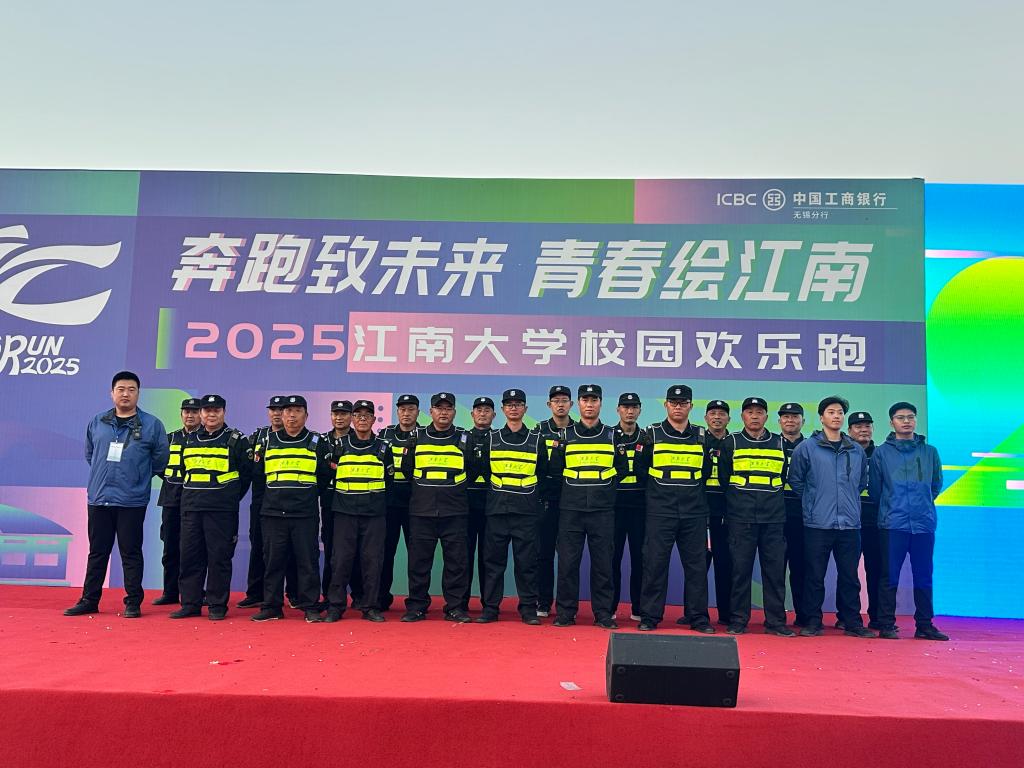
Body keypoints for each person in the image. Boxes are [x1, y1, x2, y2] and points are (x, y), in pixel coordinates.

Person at [65, 371, 169, 618]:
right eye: (121, 389)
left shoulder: (152, 425)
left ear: (138, 394)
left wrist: (137, 477)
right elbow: (91, 454)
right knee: (97, 552)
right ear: (112, 393)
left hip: (132, 500)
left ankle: (133, 602)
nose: (126, 394)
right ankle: (89, 600)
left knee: (130, 552)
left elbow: (160, 460)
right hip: (99, 497)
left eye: (131, 390)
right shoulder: (97, 422)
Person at [787, 396, 874, 638]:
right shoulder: (807, 448)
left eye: (839, 412)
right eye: (831, 412)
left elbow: (861, 482)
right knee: (814, 575)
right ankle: (812, 621)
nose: (836, 416)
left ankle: (852, 622)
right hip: (818, 522)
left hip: (849, 523)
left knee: (849, 576)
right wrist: (813, 500)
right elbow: (796, 480)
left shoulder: (855, 450)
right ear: (821, 417)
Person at [548, 384, 630, 629]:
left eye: (594, 400)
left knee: (603, 564)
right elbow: (555, 471)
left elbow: (622, 470)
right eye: (585, 400)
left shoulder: (612, 435)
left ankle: (603, 614)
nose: (590, 404)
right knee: (567, 564)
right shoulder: (564, 435)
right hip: (571, 510)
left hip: (602, 511)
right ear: (579, 404)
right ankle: (566, 613)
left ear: (601, 403)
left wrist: (603, 491)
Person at [635, 385, 715, 633]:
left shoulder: (702, 436)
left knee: (697, 567)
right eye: (673, 402)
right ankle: (650, 616)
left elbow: (705, 471)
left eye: (683, 403)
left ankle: (698, 617)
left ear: (691, 406)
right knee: (655, 564)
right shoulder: (651, 434)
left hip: (694, 512)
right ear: (666, 405)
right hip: (661, 511)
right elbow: (640, 470)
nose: (678, 407)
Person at [869, 402, 948, 641]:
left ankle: (925, 625)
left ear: (915, 420)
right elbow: (876, 490)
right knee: (889, 576)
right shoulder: (881, 453)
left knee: (923, 575)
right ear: (891, 422)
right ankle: (887, 624)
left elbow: (935, 485)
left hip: (923, 524)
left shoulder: (930, 452)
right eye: (900, 417)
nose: (906, 421)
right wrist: (893, 506)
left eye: (910, 417)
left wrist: (921, 505)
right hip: (892, 523)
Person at [251, 396, 333, 623]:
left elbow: (324, 475)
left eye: (297, 411)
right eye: (287, 411)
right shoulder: (267, 441)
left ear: (306, 415)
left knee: (307, 561)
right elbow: (258, 475)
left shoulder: (317, 441)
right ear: (281, 414)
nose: (292, 416)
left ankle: (310, 606)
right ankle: (272, 606)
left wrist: (305, 495)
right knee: (273, 562)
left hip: (304, 514)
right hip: (273, 513)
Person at [717, 397, 794, 636]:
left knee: (775, 574)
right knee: (740, 572)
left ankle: (776, 622)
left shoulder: (780, 442)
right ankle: (738, 620)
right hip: (741, 519)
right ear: (742, 416)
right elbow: (724, 478)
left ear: (766, 417)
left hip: (773, 518)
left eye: (759, 412)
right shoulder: (731, 442)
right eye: (749, 412)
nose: (754, 416)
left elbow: (783, 476)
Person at [171, 394, 251, 621]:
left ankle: (217, 605)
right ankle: (190, 603)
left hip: (221, 510)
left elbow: (246, 475)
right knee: (189, 557)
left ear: (224, 412)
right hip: (191, 509)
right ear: (201, 413)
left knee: (219, 558)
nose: (211, 414)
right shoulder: (189, 439)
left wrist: (227, 497)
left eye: (216, 410)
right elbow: (182, 472)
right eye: (207, 410)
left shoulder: (236, 440)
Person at [400, 392, 476, 623]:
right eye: (439, 408)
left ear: (454, 412)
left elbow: (474, 470)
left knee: (456, 562)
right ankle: (416, 606)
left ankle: (455, 607)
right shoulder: (416, 437)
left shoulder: (465, 438)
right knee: (418, 563)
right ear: (431, 411)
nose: (443, 412)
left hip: (455, 511)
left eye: (448, 408)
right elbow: (407, 469)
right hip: (422, 511)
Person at [473, 389, 546, 624]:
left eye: (518, 404)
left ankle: (528, 610)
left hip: (526, 512)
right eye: (509, 404)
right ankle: (490, 609)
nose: (513, 408)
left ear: (525, 409)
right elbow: (483, 471)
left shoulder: (537, 440)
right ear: (503, 409)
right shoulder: (491, 439)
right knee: (493, 563)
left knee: (527, 564)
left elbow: (543, 473)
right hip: (497, 511)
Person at [325, 400, 394, 623]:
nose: (362, 418)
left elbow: (389, 482)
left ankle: (371, 606)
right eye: (358, 415)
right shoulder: (338, 445)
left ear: (374, 419)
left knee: (372, 561)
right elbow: (330, 476)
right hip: (344, 513)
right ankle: (336, 606)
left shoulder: (384, 447)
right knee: (340, 561)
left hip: (374, 515)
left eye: (367, 415)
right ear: (352, 419)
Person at [237, 395, 288, 609]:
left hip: (287, 502)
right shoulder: (257, 437)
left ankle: (294, 593)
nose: (276, 413)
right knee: (258, 546)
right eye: (273, 409)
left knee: (289, 549)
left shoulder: (297, 437)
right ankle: (256, 592)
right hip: (261, 501)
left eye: (281, 409)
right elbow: (246, 470)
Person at [152, 397, 202, 606]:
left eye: (194, 411)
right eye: (186, 411)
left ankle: (195, 593)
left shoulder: (206, 439)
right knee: (170, 548)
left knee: (195, 551)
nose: (190, 415)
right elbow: (158, 465)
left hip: (196, 502)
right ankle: (170, 592)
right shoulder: (169, 439)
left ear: (201, 414)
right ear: (181, 414)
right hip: (171, 501)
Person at [535, 385, 574, 617]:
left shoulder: (579, 431)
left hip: (571, 501)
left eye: (564, 400)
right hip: (546, 501)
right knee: (544, 554)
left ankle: (567, 605)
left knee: (569, 557)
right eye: (556, 401)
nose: (560, 404)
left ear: (571, 404)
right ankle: (543, 602)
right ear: (549, 405)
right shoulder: (539, 431)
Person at [379, 394, 420, 611]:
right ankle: (381, 598)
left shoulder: (424, 435)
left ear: (418, 412)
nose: (406, 413)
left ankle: (416, 601)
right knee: (385, 553)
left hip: (415, 505)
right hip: (389, 504)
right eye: (402, 409)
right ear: (397, 412)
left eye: (411, 409)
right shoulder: (384, 435)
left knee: (417, 556)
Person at [321, 399, 363, 611]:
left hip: (354, 504)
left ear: (352, 417)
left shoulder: (361, 439)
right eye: (335, 413)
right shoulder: (321, 441)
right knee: (332, 551)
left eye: (344, 414)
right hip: (330, 503)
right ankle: (329, 597)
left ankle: (359, 595)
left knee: (356, 552)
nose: (339, 417)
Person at [611, 392, 645, 622]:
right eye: (625, 407)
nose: (630, 411)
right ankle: (609, 607)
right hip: (614, 507)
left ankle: (639, 609)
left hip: (641, 508)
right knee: (612, 559)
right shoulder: (609, 437)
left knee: (640, 560)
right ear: (618, 410)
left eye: (634, 407)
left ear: (640, 410)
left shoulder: (649, 438)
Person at [460, 396, 495, 613]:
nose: (483, 414)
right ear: (472, 414)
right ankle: (460, 603)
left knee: (488, 558)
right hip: (465, 507)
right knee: (463, 557)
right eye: (479, 410)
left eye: (487, 410)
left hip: (492, 507)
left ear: (494, 415)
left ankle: (489, 605)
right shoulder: (461, 438)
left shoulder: (499, 439)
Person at [848, 410, 881, 629]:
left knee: (877, 571)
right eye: (858, 426)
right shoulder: (844, 452)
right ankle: (847, 617)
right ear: (849, 430)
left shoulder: (881, 454)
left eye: (867, 426)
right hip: (850, 521)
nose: (863, 430)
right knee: (848, 572)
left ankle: (877, 617)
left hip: (876, 521)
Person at [778, 402, 808, 627]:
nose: (790, 420)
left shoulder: (811, 447)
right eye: (786, 417)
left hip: (803, 517)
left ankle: (804, 616)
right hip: (776, 516)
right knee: (775, 570)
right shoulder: (771, 444)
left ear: (803, 421)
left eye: (795, 417)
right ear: (779, 421)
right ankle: (776, 617)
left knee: (801, 569)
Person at [703, 400, 733, 625]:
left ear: (728, 419)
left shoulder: (735, 443)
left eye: (721, 414)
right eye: (712, 413)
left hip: (727, 512)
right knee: (698, 566)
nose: (717, 417)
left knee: (726, 564)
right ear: (706, 418)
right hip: (701, 511)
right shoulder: (698, 441)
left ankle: (726, 613)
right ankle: (695, 613)